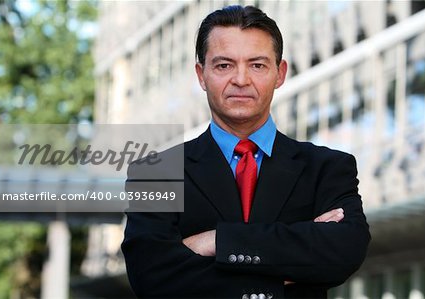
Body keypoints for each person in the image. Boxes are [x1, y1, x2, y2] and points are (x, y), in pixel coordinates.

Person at [122, 5, 370, 299]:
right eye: (224, 65)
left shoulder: (327, 168)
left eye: (257, 65)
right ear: (202, 75)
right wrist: (282, 275)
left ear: (280, 73)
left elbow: (343, 251)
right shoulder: (156, 175)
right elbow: (152, 276)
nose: (241, 79)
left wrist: (218, 241)